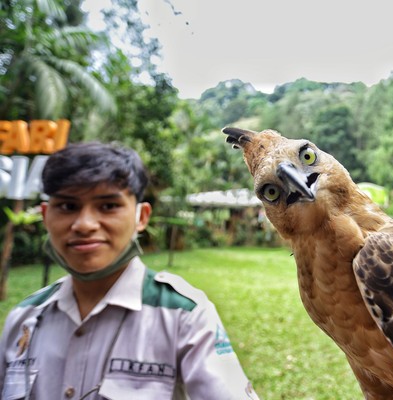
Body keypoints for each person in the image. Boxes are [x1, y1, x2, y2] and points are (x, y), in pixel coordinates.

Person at [0, 142, 260, 400]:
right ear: (46, 216)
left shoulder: (184, 316)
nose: (84, 224)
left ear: (142, 217)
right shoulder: (24, 319)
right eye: (68, 207)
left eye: (108, 206)